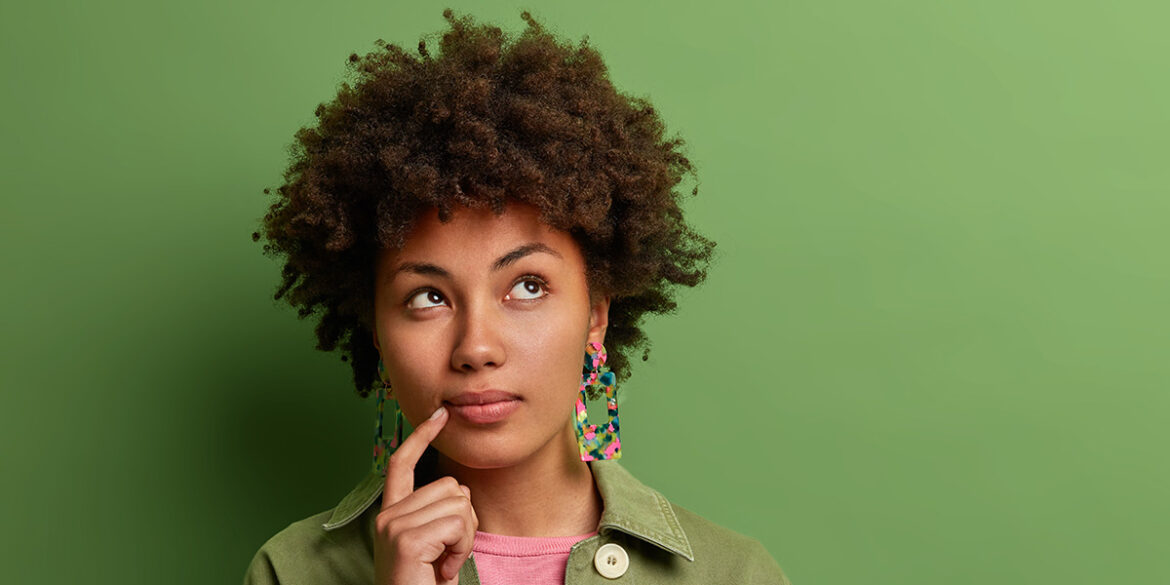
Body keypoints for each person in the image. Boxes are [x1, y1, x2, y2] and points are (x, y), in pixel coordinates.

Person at [244, 9, 791, 585]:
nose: (476, 348)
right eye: (427, 297)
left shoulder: (734, 574)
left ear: (595, 316)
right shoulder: (292, 571)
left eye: (527, 286)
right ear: (377, 331)